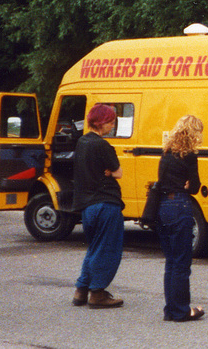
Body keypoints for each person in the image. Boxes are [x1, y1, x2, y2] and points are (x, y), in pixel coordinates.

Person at [72, 103, 125, 309]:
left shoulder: (81, 142)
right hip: (106, 204)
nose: (112, 126)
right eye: (110, 122)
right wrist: (111, 173)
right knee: (108, 250)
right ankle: (98, 293)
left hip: (87, 206)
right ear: (101, 122)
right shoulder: (103, 145)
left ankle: (81, 290)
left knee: (94, 248)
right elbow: (118, 172)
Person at [156, 115, 205, 322]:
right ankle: (181, 310)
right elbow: (194, 186)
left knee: (171, 262)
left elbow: (161, 181)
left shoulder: (165, 154)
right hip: (180, 206)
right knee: (182, 262)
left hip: (163, 207)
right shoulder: (189, 156)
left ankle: (171, 308)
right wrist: (186, 185)